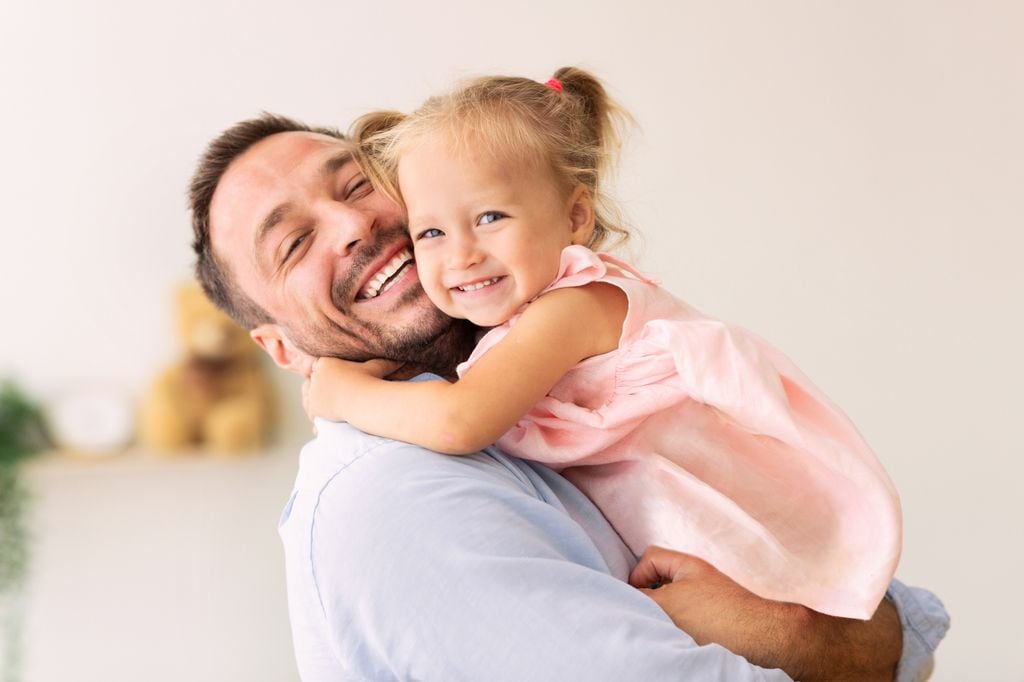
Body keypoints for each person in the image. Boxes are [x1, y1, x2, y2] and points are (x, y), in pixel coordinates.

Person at [188, 107, 949, 681]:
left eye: (359, 184)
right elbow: (880, 644)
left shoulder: (550, 404)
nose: (353, 223)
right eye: (292, 244)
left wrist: (786, 632)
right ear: (284, 351)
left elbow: (883, 625)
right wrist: (812, 638)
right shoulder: (394, 498)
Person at [303, 68, 900, 621]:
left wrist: (340, 391)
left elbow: (461, 420)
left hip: (728, 526)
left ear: (575, 218)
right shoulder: (529, 316)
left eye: (489, 217)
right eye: (430, 231)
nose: (461, 254)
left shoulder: (575, 305)